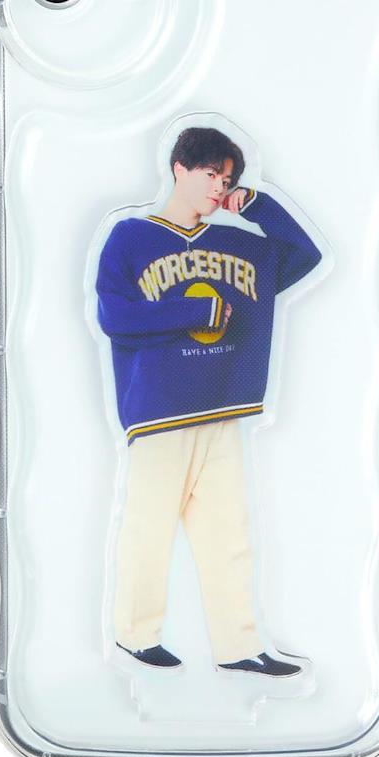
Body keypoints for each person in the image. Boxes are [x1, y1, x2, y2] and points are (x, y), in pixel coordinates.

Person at [95, 126, 322, 675]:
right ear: (179, 167)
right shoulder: (131, 236)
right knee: (150, 526)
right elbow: (115, 317)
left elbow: (305, 255)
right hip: (159, 411)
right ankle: (134, 635)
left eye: (228, 177)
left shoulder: (236, 243)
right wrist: (195, 311)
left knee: (228, 534)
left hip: (222, 406)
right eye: (210, 172)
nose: (220, 185)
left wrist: (258, 206)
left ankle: (238, 647)